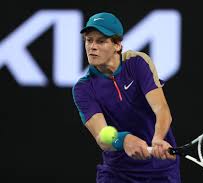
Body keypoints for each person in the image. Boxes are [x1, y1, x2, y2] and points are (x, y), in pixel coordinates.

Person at [72, 12, 181, 182]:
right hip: (117, 173)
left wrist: (158, 138)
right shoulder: (83, 88)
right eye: (89, 40)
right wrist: (123, 139)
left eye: (100, 41)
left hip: (161, 171)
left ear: (117, 45)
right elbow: (102, 137)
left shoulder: (137, 63)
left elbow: (162, 109)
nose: (92, 46)